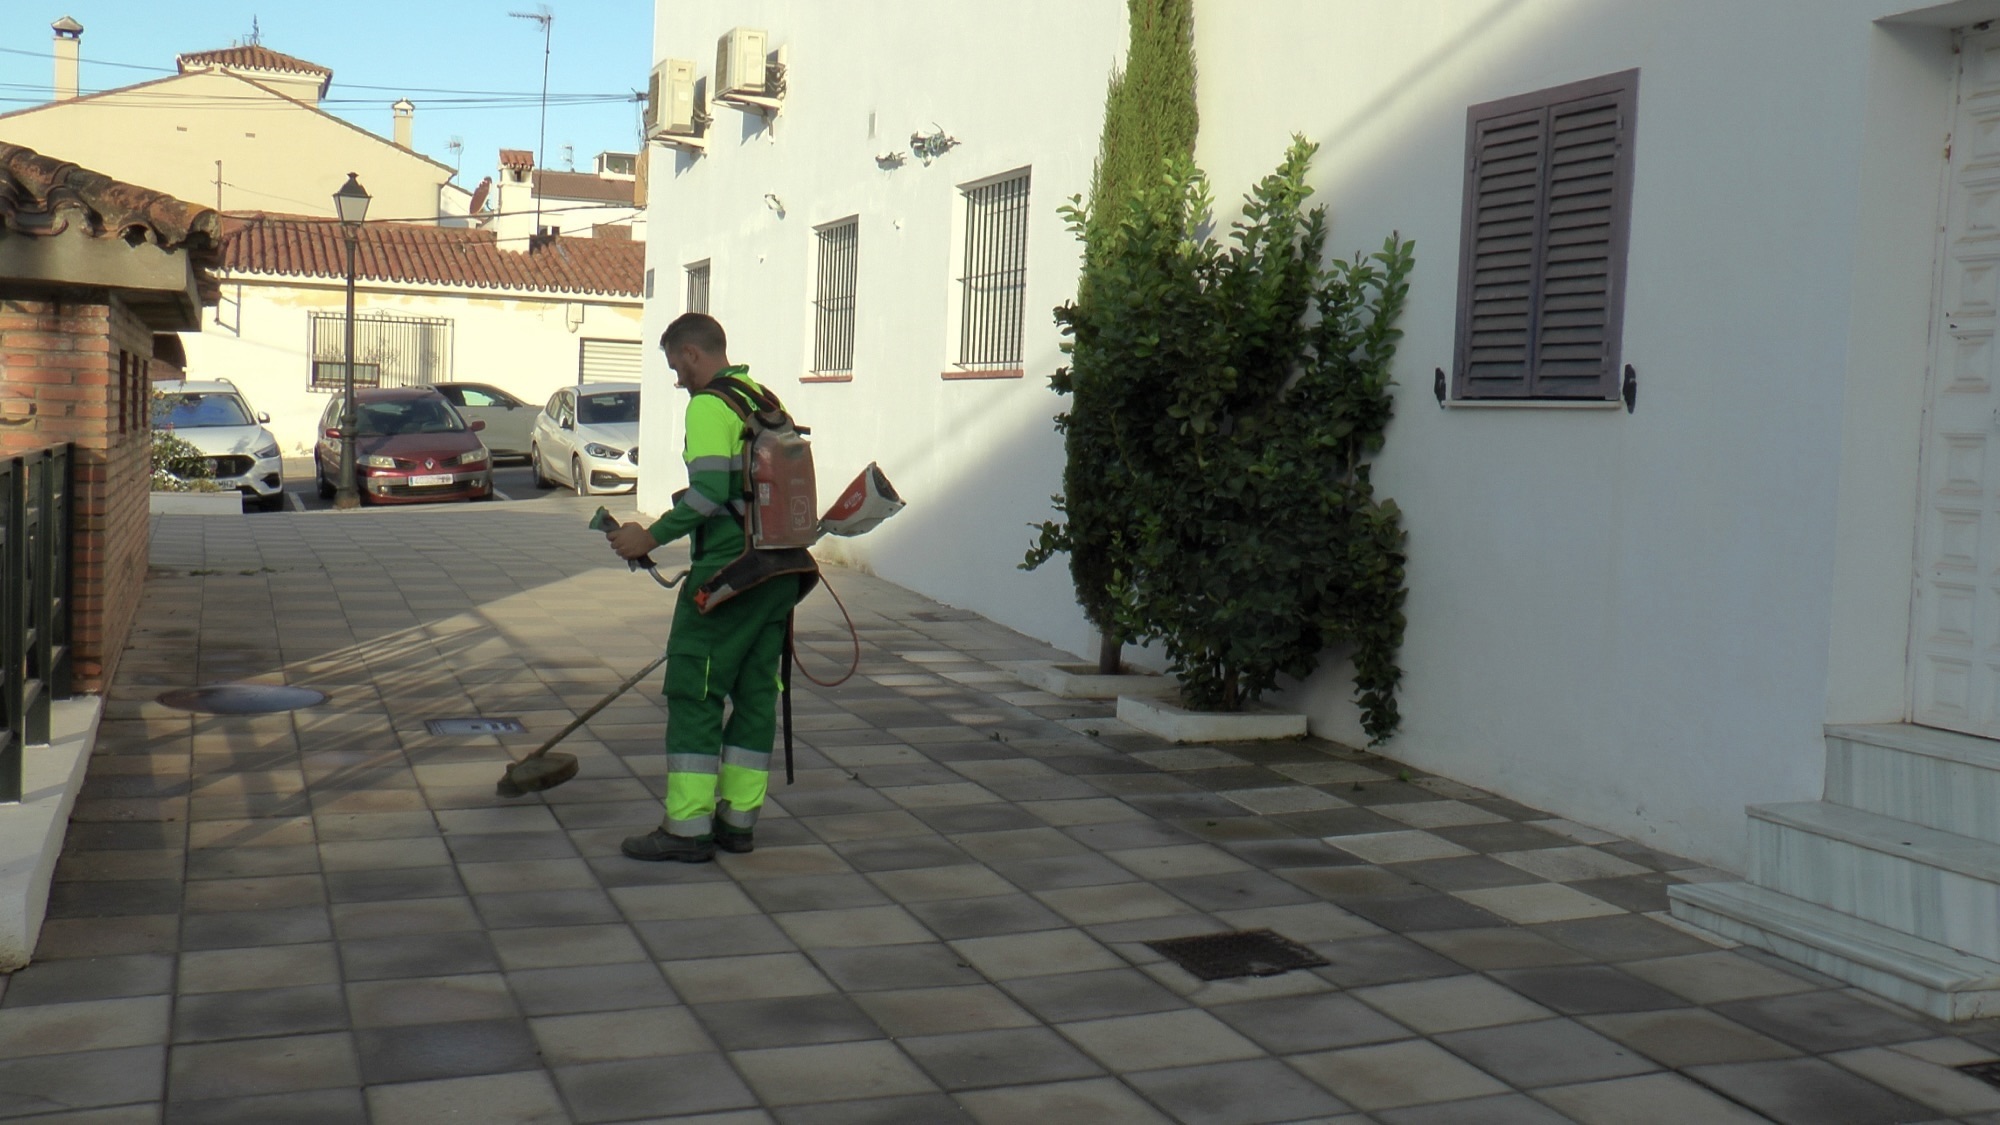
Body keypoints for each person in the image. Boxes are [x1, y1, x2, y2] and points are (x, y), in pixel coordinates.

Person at [606, 313, 799, 862]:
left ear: (692, 353)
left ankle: (688, 828)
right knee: (757, 696)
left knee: (696, 693)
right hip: (779, 571)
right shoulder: (761, 399)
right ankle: (738, 823)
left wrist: (649, 537)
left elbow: (710, 490)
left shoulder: (710, 405)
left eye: (676, 366)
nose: (677, 379)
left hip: (728, 576)